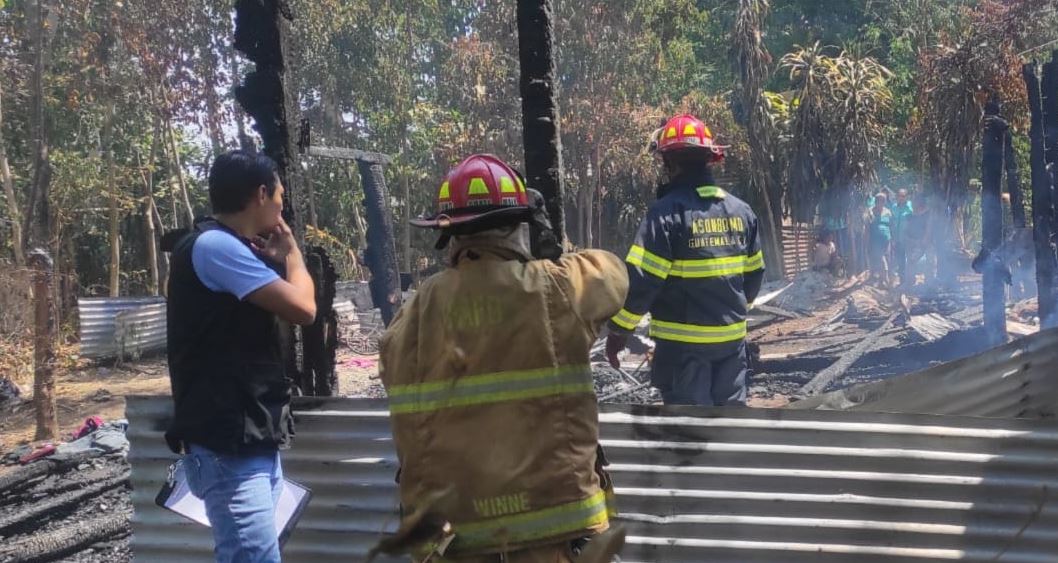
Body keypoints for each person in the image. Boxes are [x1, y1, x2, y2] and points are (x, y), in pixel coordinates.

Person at [379, 154, 629, 562]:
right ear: (518, 226)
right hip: (556, 539)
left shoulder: (414, 315)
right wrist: (553, 247)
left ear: (450, 236)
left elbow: (396, 380)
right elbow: (614, 274)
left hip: (453, 545)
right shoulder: (557, 286)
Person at [165, 150, 316, 563]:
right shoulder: (214, 246)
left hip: (249, 438)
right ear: (262, 193)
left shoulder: (228, 247)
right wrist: (293, 256)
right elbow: (304, 309)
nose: (283, 206)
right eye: (281, 195)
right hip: (227, 445)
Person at [605, 114, 764, 406]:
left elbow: (643, 280)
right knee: (731, 434)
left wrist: (618, 331)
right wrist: (727, 311)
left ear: (670, 163)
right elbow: (754, 277)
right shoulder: (742, 212)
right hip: (731, 347)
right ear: (709, 159)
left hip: (683, 352)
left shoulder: (665, 214)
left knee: (690, 439)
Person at [867, 192, 894, 286]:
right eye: (879, 201)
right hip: (875, 240)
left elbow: (891, 226)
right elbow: (867, 226)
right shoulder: (871, 211)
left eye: (883, 201)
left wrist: (892, 239)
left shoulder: (888, 212)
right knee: (879, 258)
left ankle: (883, 280)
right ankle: (883, 278)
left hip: (886, 239)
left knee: (887, 258)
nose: (881, 203)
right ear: (876, 201)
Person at [890, 189, 914, 286]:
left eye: (903, 196)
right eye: (899, 196)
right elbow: (891, 223)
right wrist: (892, 238)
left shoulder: (910, 208)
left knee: (910, 260)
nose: (901, 198)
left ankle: (911, 280)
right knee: (900, 260)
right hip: (897, 239)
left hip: (908, 239)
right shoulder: (894, 207)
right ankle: (902, 280)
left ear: (907, 197)